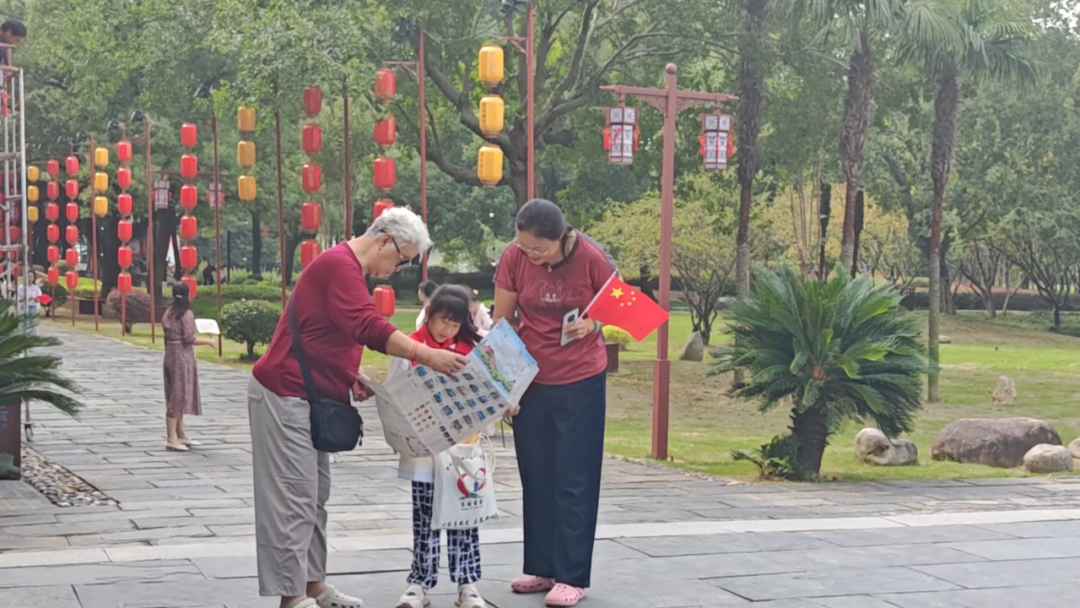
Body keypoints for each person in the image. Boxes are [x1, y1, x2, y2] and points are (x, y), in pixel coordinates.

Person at [249, 208, 468, 608]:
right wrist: (427, 354)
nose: (397, 270)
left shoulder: (347, 269)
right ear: (384, 240)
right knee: (293, 498)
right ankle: (292, 597)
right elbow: (367, 326)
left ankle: (313, 585)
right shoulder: (339, 266)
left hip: (310, 394)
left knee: (314, 497)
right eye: (401, 259)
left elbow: (328, 330)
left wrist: (350, 374)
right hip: (285, 392)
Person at [492, 199, 614, 608]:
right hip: (530, 378)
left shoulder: (591, 257)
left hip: (580, 379)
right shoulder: (513, 257)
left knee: (574, 477)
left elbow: (616, 303)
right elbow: (503, 320)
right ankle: (542, 567)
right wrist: (504, 384)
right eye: (523, 246)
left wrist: (592, 323)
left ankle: (572, 575)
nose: (530, 255)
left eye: (538, 249)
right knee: (537, 473)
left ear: (560, 237)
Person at [390, 284, 490, 608]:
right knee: (426, 518)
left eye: (455, 323)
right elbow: (395, 393)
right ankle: (420, 582)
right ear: (429, 314)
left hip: (464, 450)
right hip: (425, 451)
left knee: (465, 518)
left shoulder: (472, 350)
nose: (448, 329)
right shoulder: (410, 347)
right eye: (443, 321)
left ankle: (467, 584)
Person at [162, 282, 215, 452]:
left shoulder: (168, 312)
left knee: (174, 392)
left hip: (170, 354)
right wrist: (208, 341)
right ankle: (171, 438)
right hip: (182, 357)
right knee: (178, 396)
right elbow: (189, 338)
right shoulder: (186, 314)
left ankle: (180, 433)